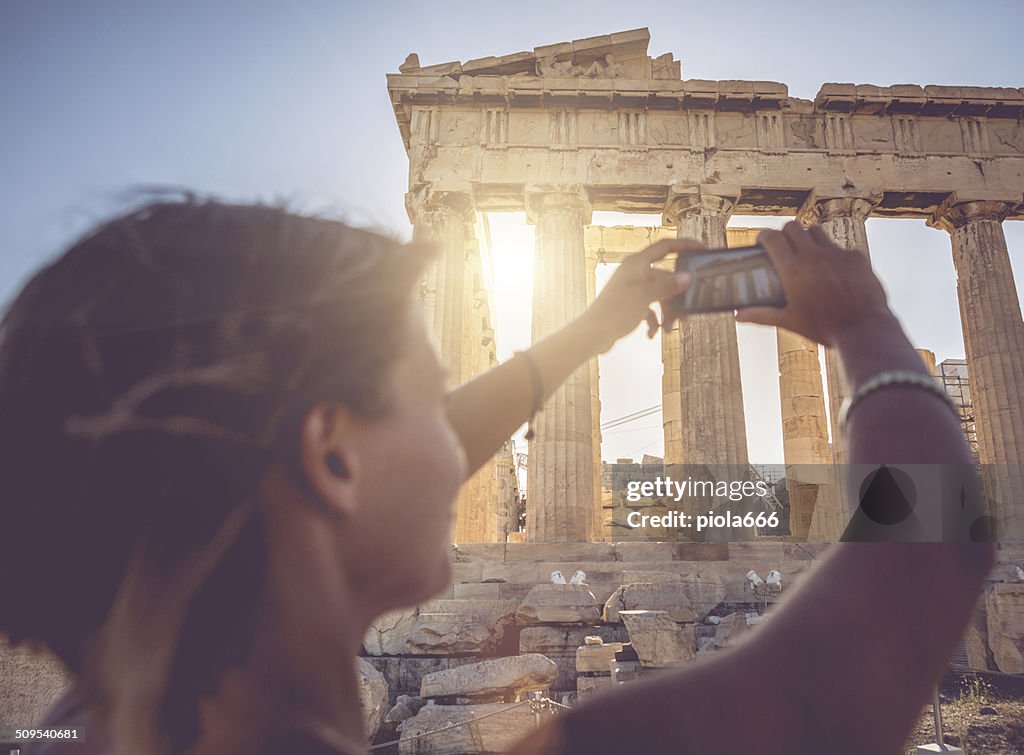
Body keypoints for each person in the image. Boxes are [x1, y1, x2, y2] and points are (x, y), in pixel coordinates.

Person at [0, 201, 992, 755]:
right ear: (331, 454)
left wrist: (583, 334)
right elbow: (929, 553)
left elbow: (332, 472)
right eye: (434, 399)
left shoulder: (80, 717)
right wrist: (866, 325)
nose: (455, 437)